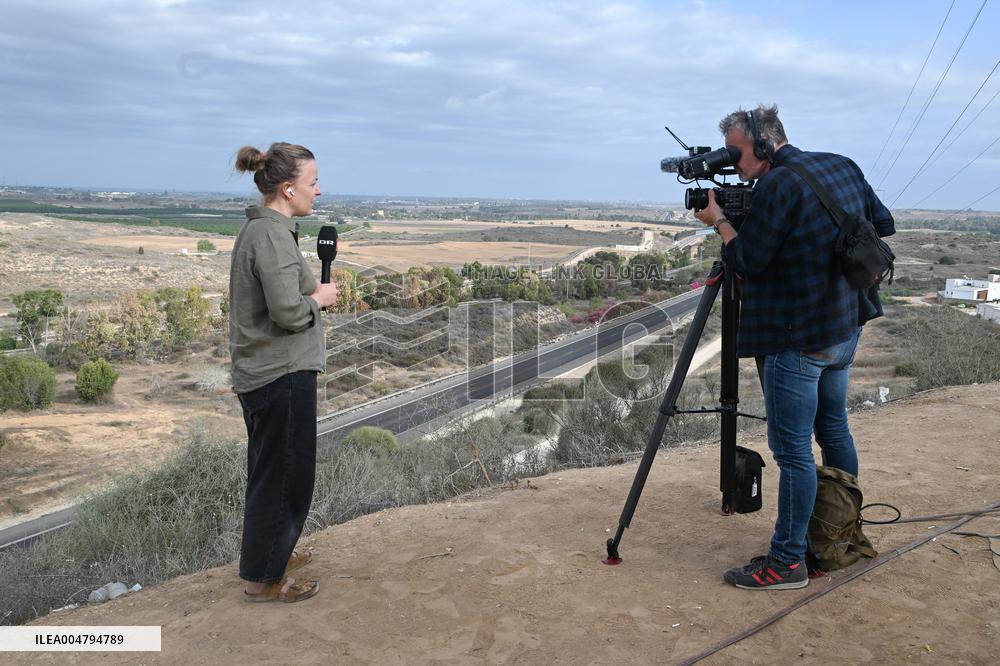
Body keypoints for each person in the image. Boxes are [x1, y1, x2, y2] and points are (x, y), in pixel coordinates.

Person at [692, 105, 895, 590]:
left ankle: (786, 563)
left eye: (736, 153)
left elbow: (748, 261)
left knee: (794, 453)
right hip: (844, 328)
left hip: (797, 339)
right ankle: (837, 534)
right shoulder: (840, 164)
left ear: (763, 145)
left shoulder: (777, 187)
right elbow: (880, 224)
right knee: (834, 431)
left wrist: (720, 220)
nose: (733, 164)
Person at [230, 142, 338, 602]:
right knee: (285, 479)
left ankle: (273, 556)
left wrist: (311, 289)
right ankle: (264, 581)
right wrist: (319, 301)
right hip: (280, 373)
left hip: (268, 371)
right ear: (288, 187)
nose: (319, 189)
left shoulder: (270, 231)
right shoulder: (271, 235)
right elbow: (288, 313)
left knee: (272, 473)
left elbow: (290, 291)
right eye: (313, 182)